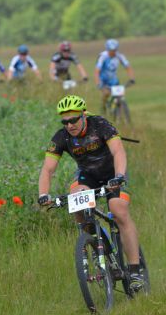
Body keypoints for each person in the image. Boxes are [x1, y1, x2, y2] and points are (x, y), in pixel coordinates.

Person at [37, 95, 145, 291]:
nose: (69, 125)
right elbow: (48, 169)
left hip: (113, 172)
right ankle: (94, 243)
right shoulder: (61, 137)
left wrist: (119, 175)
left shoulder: (100, 125)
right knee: (76, 200)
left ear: (83, 115)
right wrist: (43, 194)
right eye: (65, 121)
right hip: (88, 175)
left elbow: (118, 152)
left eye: (73, 120)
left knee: (118, 209)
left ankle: (135, 269)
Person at [94, 39, 135, 114]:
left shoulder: (119, 56)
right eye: (111, 50)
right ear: (107, 49)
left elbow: (128, 67)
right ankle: (103, 110)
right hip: (103, 80)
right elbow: (97, 71)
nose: (113, 52)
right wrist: (98, 83)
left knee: (120, 96)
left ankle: (119, 111)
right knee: (106, 94)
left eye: (114, 50)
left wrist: (132, 78)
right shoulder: (103, 56)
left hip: (114, 81)